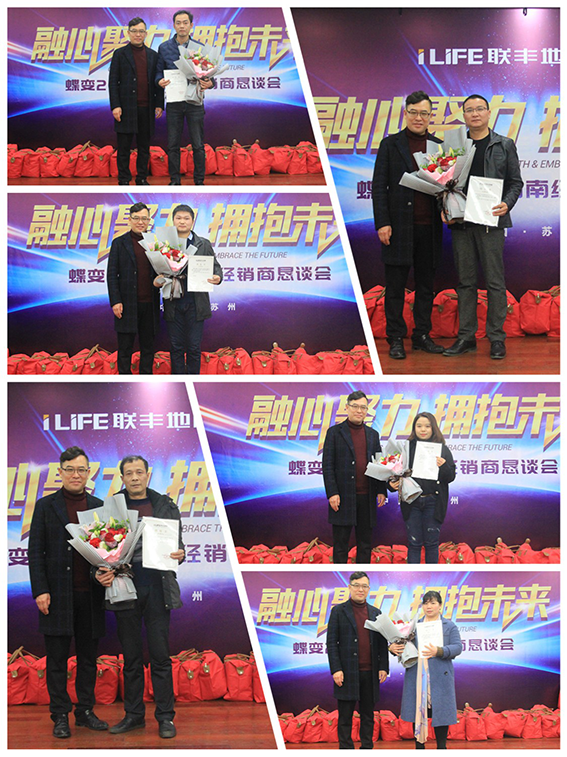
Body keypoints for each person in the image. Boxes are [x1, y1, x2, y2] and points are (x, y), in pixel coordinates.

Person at [28, 447, 108, 739]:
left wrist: (109, 571)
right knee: (57, 659)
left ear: (89, 473)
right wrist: (41, 590)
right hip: (57, 595)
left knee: (88, 659)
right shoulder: (46, 506)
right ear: (60, 472)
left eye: (81, 469)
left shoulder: (99, 506)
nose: (76, 475)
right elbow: (35, 552)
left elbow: (108, 550)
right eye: (70, 469)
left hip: (91, 595)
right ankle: (60, 714)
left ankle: (85, 711)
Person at [103, 455, 185, 739]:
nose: (135, 477)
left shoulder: (165, 504)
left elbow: (178, 546)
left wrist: (180, 554)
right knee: (131, 658)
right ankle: (134, 715)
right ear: (122, 477)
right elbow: (99, 547)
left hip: (157, 589)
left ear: (148, 475)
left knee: (160, 656)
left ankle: (165, 717)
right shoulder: (112, 507)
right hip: (124, 587)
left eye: (139, 472)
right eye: (129, 473)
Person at [443, 94, 524, 360]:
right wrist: (444, 208)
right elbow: (442, 183)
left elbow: (515, 182)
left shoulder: (503, 144)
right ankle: (466, 337)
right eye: (469, 110)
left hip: (491, 222)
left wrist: (507, 203)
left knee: (494, 282)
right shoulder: (455, 146)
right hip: (461, 223)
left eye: (480, 109)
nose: (475, 114)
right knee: (465, 282)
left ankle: (496, 338)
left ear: (489, 113)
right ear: (463, 115)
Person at [372, 91, 444, 360]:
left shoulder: (439, 146)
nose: (418, 118)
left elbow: (447, 186)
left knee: (426, 285)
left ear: (430, 116)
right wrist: (383, 222)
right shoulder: (390, 145)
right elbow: (379, 187)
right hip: (399, 227)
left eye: (424, 113)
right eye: (413, 112)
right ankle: (395, 338)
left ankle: (422, 335)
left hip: (430, 227)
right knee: (395, 287)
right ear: (405, 114)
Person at [155, 203, 222, 374]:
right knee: (176, 346)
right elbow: (156, 269)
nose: (182, 221)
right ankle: (178, 380)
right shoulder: (165, 244)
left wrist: (217, 277)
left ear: (192, 221)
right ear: (173, 220)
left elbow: (215, 267)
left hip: (196, 302)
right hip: (173, 301)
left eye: (186, 218)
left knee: (193, 347)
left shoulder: (203, 243)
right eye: (178, 218)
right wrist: (157, 279)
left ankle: (193, 379)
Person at [389, 591, 462, 749]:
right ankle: (419, 746)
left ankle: (441, 747)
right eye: (426, 603)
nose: (429, 606)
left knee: (440, 712)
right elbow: (402, 644)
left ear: (440, 606)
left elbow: (457, 647)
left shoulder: (449, 626)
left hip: (440, 675)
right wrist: (393, 648)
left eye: (433, 603)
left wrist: (439, 651)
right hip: (417, 673)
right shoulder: (414, 625)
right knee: (417, 709)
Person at [322, 390, 387, 564]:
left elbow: (379, 464)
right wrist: (332, 493)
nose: (359, 411)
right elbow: (327, 465)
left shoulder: (373, 435)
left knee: (365, 544)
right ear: (347, 408)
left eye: (363, 407)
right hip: (343, 497)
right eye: (355, 406)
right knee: (340, 544)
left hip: (367, 496)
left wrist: (381, 490)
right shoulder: (334, 433)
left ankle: (362, 573)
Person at [327, 572, 389, 749]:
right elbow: (331, 643)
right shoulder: (338, 611)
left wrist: (383, 667)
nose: (360, 589)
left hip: (370, 673)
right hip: (347, 673)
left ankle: (366, 748)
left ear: (368, 589)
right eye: (357, 585)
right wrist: (336, 669)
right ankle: (346, 749)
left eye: (364, 586)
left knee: (368, 716)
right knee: (345, 717)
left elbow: (382, 642)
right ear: (350, 587)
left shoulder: (376, 613)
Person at [156, 10, 214, 185]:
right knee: (173, 145)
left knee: (198, 144)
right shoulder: (164, 48)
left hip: (194, 102)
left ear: (191, 25)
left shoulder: (199, 48)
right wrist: (159, 81)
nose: (182, 26)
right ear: (174, 25)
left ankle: (199, 181)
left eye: (185, 22)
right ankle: (175, 180)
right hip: (174, 102)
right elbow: (158, 71)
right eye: (178, 23)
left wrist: (210, 83)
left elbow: (208, 74)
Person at [389, 413, 455, 564]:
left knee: (432, 544)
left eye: (427, 426)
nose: (423, 430)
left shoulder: (442, 450)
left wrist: (443, 466)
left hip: (434, 502)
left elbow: (450, 477)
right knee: (414, 543)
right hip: (412, 502)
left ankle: (432, 574)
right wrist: (391, 484)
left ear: (433, 428)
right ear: (414, 428)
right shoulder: (406, 449)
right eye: (419, 426)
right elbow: (394, 471)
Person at [107, 202, 161, 374]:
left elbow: (162, 270)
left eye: (144, 218)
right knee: (125, 348)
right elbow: (111, 274)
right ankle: (125, 378)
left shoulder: (155, 243)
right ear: (129, 220)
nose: (140, 222)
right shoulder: (119, 243)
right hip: (127, 303)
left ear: (149, 221)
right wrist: (115, 301)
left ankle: (146, 377)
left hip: (150, 303)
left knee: (148, 347)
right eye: (136, 218)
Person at [108, 17, 164, 185]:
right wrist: (115, 105)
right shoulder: (120, 54)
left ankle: (142, 178)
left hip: (146, 108)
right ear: (128, 33)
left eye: (141, 31)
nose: (138, 34)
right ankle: (124, 179)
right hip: (125, 108)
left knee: (144, 147)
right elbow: (113, 82)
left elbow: (158, 81)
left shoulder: (153, 55)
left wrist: (159, 104)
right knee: (123, 147)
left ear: (146, 34)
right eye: (134, 31)